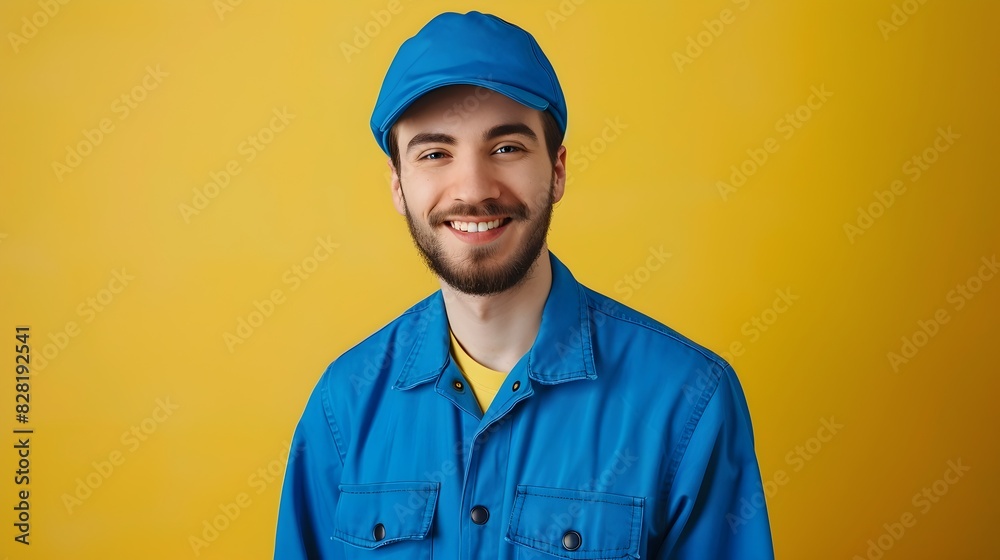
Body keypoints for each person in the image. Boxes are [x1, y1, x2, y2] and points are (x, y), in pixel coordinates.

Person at [274, 11, 773, 559]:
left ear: (557, 171)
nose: (473, 189)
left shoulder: (687, 400)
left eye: (506, 148)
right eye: (435, 153)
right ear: (398, 185)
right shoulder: (343, 406)